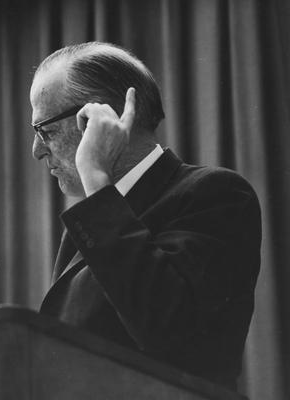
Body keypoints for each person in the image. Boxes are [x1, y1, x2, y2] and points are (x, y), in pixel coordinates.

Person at [30, 42, 261, 391]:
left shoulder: (216, 193)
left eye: (44, 129)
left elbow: (169, 330)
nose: (37, 150)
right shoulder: (89, 222)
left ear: (106, 115)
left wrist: (96, 174)